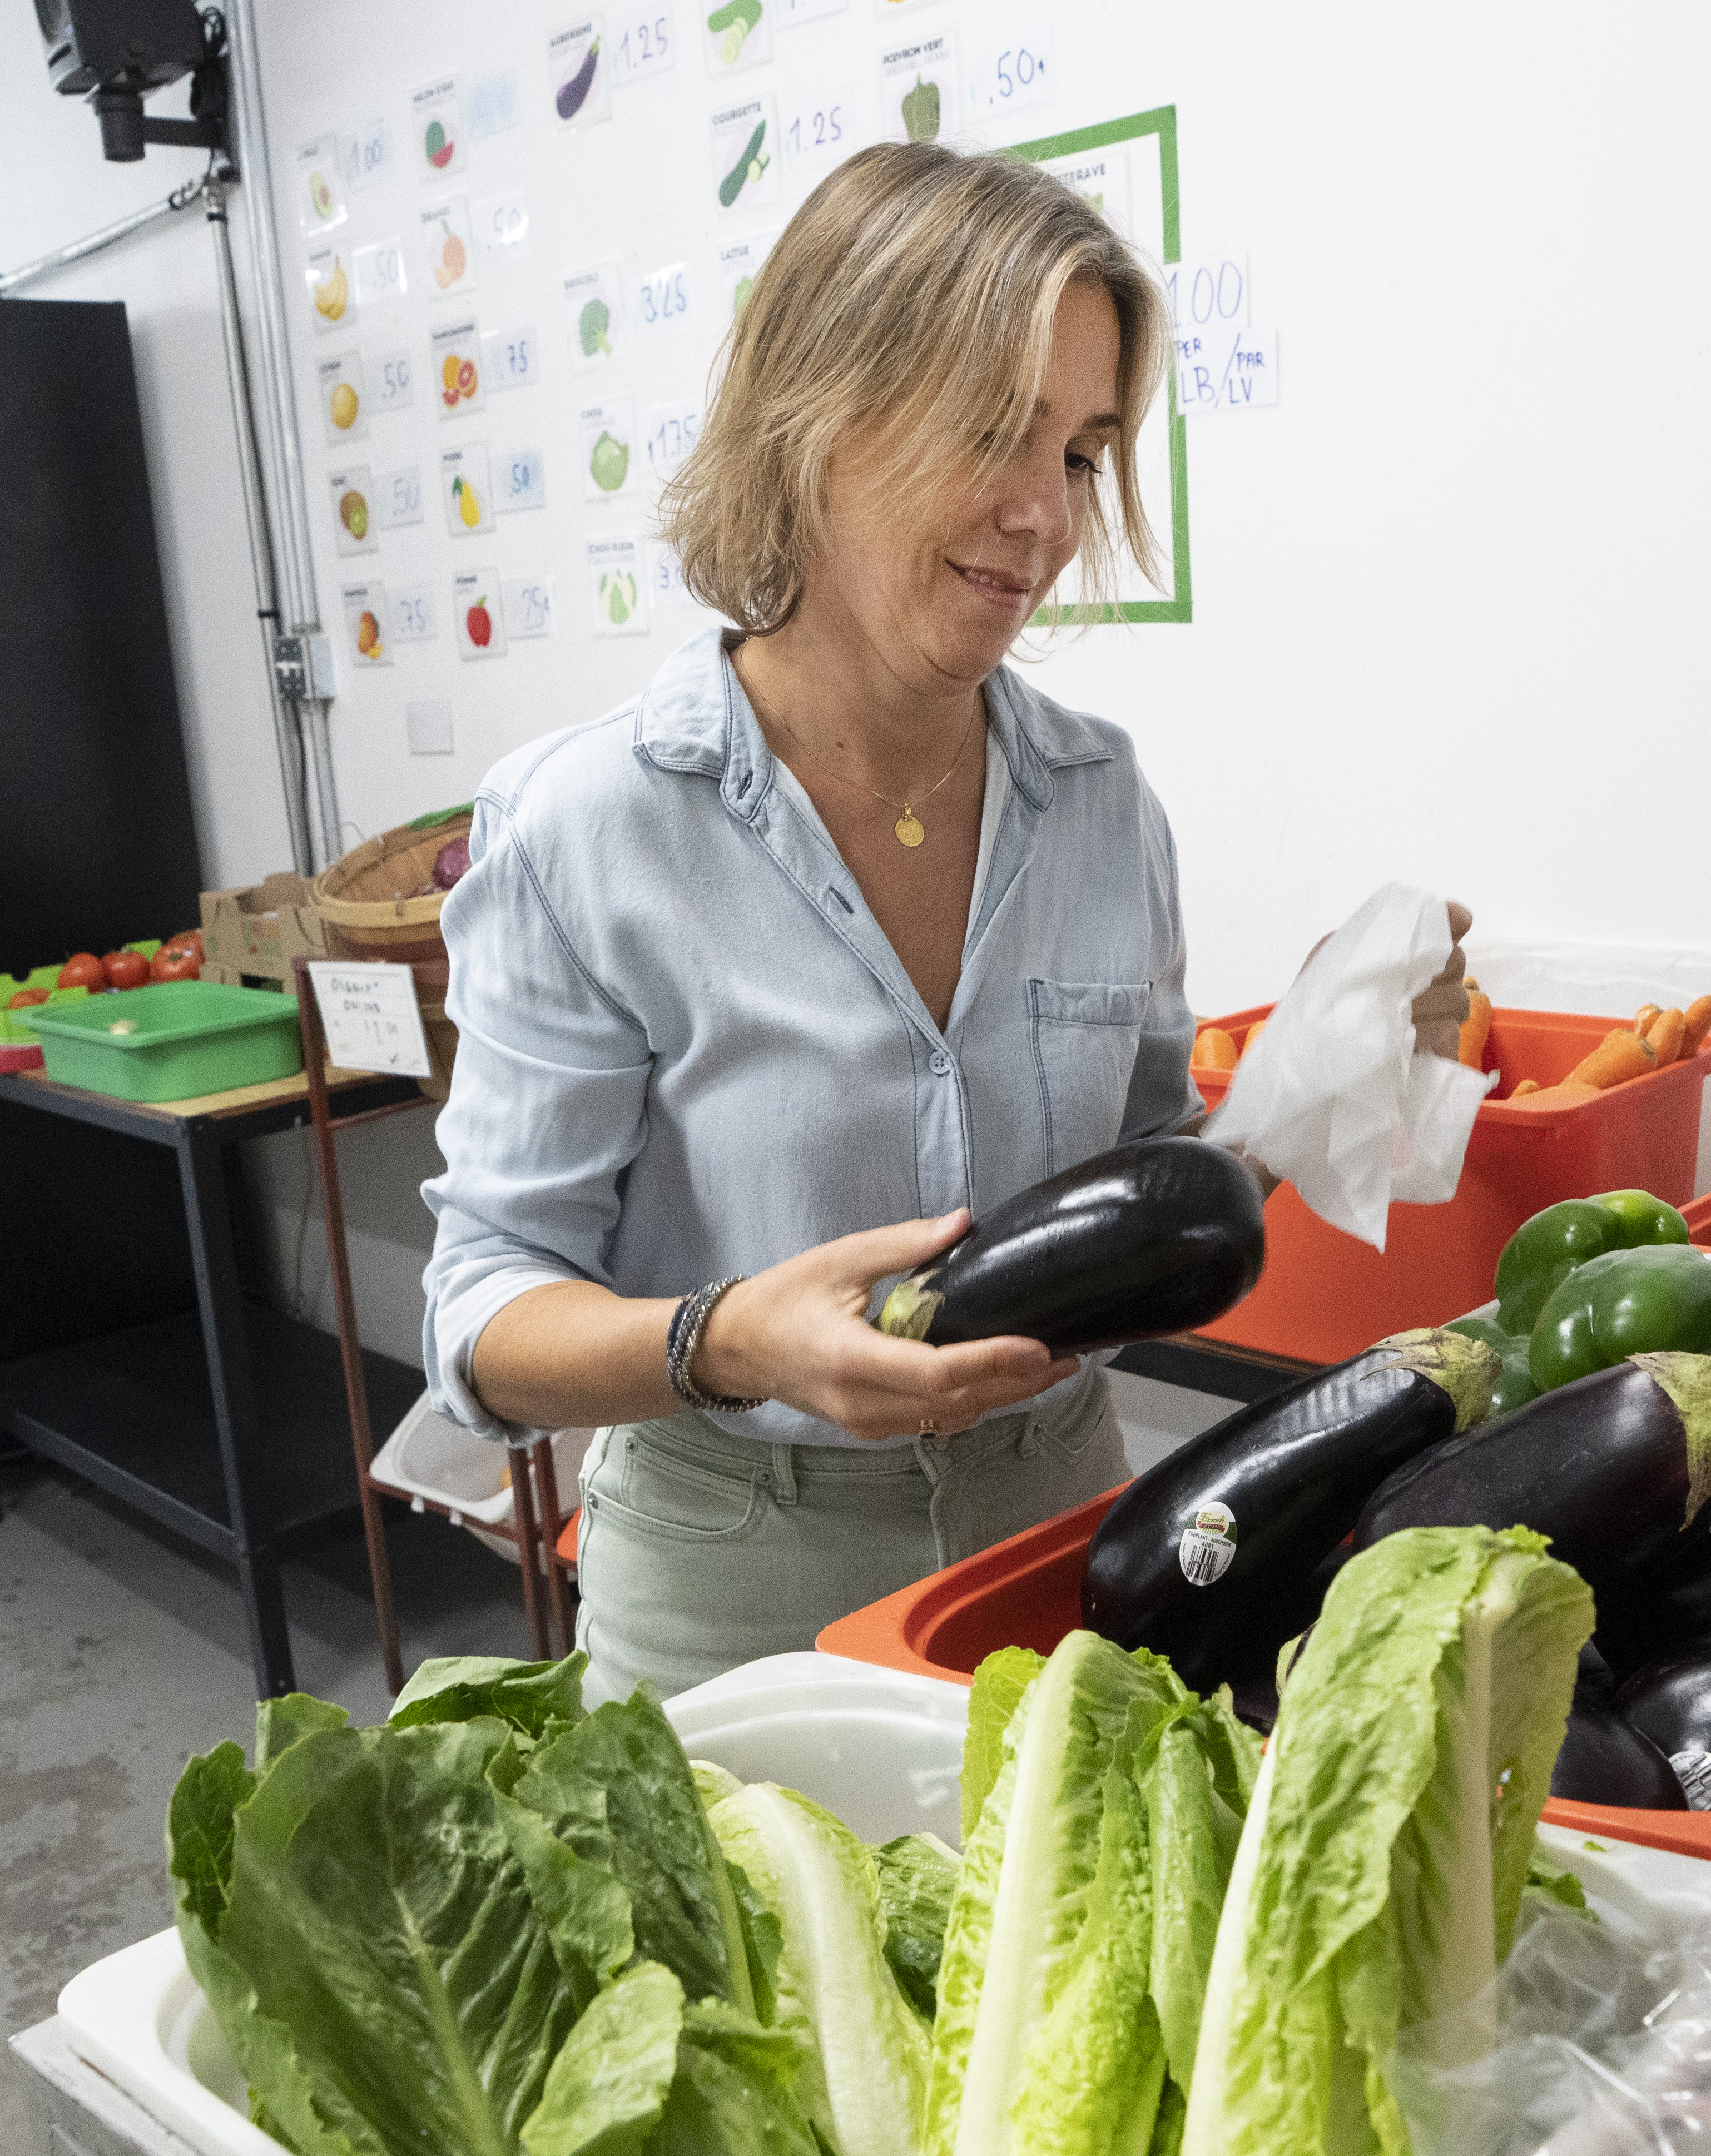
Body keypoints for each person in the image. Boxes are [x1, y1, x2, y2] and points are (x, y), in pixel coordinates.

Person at [421, 143, 1467, 1700]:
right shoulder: (589, 828)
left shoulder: (1103, 803)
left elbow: (1146, 1212)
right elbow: (488, 1304)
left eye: (1083, 454)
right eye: (993, 432)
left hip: (1060, 1533)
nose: (1042, 516)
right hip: (731, 1571)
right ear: (818, 415)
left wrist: (1311, 1087)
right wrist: (731, 1339)